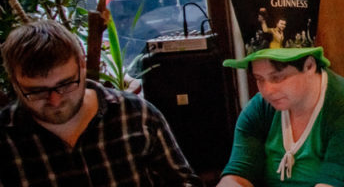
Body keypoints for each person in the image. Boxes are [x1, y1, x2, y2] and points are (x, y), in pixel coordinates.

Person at [218, 0, 344, 187]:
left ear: (310, 65)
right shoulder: (260, 109)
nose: (267, 90)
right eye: (259, 79)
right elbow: (236, 174)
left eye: (278, 77)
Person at [0, 20, 201, 185]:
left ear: (82, 64)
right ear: (13, 81)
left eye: (66, 83)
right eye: (36, 91)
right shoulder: (6, 138)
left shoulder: (136, 115)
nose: (55, 100)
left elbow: (183, 182)